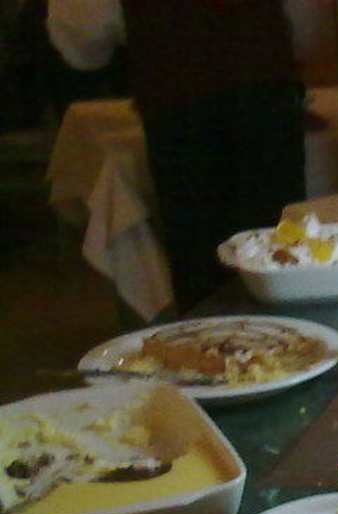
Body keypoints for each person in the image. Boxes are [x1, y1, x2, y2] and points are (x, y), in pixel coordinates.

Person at [48, 0, 309, 311]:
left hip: (180, 97)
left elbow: (83, 31)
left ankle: (219, 336)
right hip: (262, 89)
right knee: (278, 250)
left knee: (203, 259)